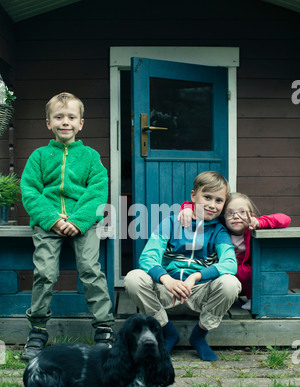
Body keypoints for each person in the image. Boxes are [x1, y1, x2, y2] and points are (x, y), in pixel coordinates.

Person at [20, 92, 114, 360]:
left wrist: (77, 221)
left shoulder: (90, 157)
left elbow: (97, 192)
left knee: (90, 269)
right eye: (58, 117)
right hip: (47, 224)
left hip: (83, 223)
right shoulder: (39, 157)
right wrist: (52, 219)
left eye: (71, 117)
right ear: (48, 123)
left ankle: (104, 328)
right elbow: (30, 191)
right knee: (45, 272)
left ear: (81, 123)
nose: (65, 122)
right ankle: (37, 330)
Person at [124, 171, 241, 361]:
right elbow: (147, 257)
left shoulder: (219, 231)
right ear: (193, 196)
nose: (212, 204)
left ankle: (199, 336)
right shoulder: (170, 223)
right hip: (166, 293)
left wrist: (195, 277)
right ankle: (167, 331)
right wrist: (166, 279)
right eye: (207, 197)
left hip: (200, 295)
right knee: (133, 278)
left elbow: (229, 264)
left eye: (219, 200)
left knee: (230, 283)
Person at [179, 192, 291, 310]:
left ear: (251, 215)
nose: (236, 216)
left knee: (249, 271)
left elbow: (285, 219)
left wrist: (260, 222)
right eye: (230, 213)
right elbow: (195, 207)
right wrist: (187, 209)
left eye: (242, 212)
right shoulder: (221, 228)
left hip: (245, 275)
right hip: (220, 270)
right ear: (223, 216)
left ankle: (252, 298)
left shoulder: (250, 228)